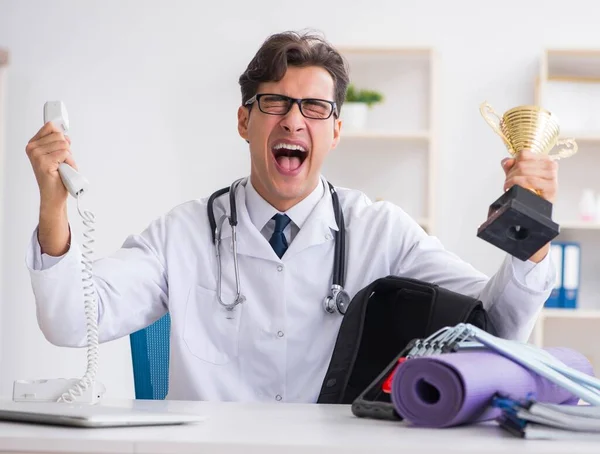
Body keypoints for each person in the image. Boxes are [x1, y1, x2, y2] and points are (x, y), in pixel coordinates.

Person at [24, 30, 557, 403]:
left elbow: (498, 327)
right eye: (275, 103)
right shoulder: (182, 234)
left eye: (315, 108)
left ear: (336, 130)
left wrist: (530, 231)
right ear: (244, 121)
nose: (294, 121)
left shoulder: (382, 232)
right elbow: (72, 319)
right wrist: (54, 203)